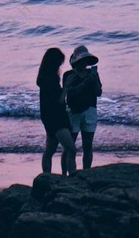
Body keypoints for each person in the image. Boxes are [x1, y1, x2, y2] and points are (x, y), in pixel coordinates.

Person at [36, 47, 77, 175]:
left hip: (51, 116)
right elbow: (59, 99)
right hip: (55, 118)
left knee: (50, 151)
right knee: (71, 149)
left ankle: (47, 177)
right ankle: (72, 177)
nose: (60, 65)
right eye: (59, 62)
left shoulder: (46, 77)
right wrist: (67, 86)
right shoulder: (49, 79)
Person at [63, 45, 102, 170]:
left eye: (85, 60)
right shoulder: (68, 75)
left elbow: (98, 92)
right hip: (73, 111)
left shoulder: (93, 74)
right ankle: (66, 174)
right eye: (81, 60)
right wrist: (85, 83)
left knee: (88, 146)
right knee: (70, 146)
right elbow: (69, 93)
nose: (83, 62)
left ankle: (86, 173)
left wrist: (94, 80)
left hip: (90, 111)